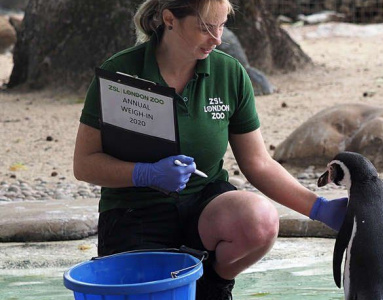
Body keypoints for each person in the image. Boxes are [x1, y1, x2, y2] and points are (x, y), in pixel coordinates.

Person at [72, 0, 348, 299]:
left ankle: (212, 284)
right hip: (134, 210)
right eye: (205, 27)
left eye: (222, 26)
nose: (217, 38)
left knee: (259, 219)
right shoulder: (121, 73)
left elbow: (258, 163)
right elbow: (84, 164)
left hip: (203, 206)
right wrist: (145, 174)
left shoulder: (228, 72)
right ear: (169, 19)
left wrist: (318, 208)